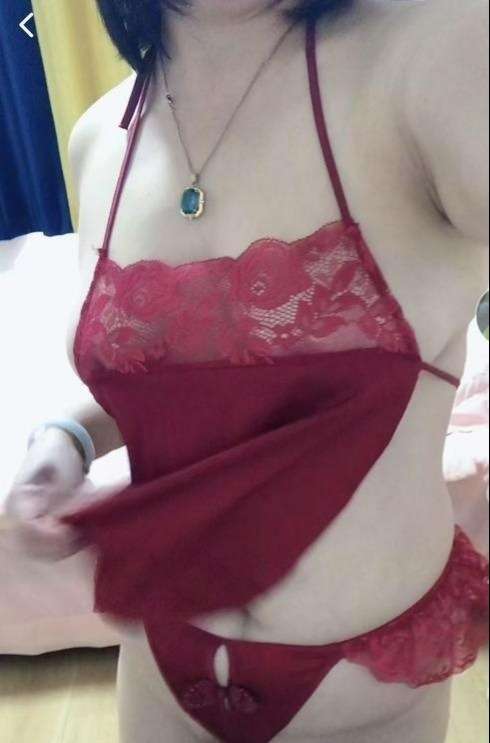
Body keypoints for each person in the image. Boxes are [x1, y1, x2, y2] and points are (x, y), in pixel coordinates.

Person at [6, 1, 489, 742]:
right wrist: (67, 438)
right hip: (158, 662)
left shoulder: (432, 49)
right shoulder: (99, 138)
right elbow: (178, 375)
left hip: (366, 692)